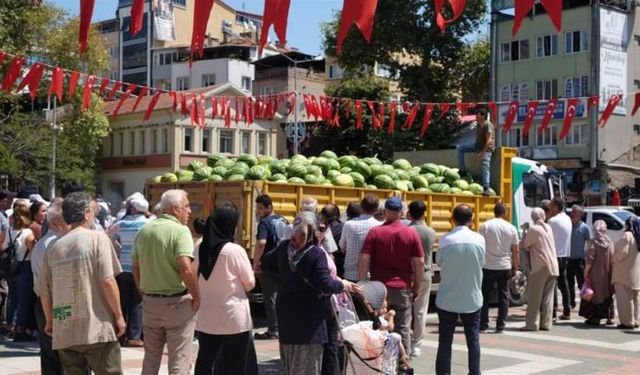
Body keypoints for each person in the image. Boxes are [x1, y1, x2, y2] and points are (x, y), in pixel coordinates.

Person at [36, 192, 125, 374]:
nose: (94, 215)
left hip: (66, 328)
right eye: (94, 211)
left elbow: (44, 291)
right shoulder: (98, 238)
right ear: (86, 213)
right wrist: (118, 316)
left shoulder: (54, 247)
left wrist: (50, 321)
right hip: (97, 326)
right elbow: (107, 280)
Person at [272, 212, 355, 375]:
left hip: (286, 317)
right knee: (308, 367)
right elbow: (325, 284)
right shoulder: (315, 253)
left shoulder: (284, 248)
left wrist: (286, 278)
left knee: (291, 365)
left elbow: (266, 263)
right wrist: (342, 285)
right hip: (309, 322)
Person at [132, 189, 200, 374]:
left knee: (151, 359)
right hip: (177, 304)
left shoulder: (144, 230)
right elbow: (186, 268)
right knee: (179, 360)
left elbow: (135, 267)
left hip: (151, 302)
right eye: (186, 207)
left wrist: (143, 292)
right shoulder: (180, 231)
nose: (189, 211)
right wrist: (197, 296)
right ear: (175, 209)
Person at [193, 207, 258, 375]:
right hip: (233, 318)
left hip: (207, 316)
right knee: (234, 365)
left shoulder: (199, 249)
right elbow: (250, 283)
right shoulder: (234, 251)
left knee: (205, 360)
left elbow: (193, 276)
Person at [359, 196, 424, 353]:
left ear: (386, 212)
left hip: (379, 289)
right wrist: (416, 286)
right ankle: (402, 364)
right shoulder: (411, 233)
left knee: (379, 326)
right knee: (402, 327)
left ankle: (382, 362)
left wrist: (363, 283)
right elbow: (420, 262)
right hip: (402, 287)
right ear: (401, 212)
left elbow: (364, 257)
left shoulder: (375, 232)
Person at [435, 204, 485, 375]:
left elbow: (439, 262)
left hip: (447, 298)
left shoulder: (445, 240)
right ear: (472, 220)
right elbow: (482, 262)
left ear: (453, 219)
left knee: (445, 342)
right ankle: (474, 372)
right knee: (473, 340)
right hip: (472, 298)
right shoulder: (479, 239)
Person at [30, 201, 69, 375]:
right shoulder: (55, 244)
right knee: (62, 353)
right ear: (55, 222)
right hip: (54, 301)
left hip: (45, 300)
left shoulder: (45, 243)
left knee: (49, 354)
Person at [112, 196, 150, 348]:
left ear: (132, 208)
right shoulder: (148, 225)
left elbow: (112, 241)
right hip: (140, 268)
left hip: (122, 268)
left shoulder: (120, 224)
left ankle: (120, 335)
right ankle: (134, 336)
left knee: (121, 302)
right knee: (137, 303)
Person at [479, 202, 520, 333]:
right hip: (505, 266)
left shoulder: (484, 226)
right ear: (505, 213)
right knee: (504, 296)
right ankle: (500, 325)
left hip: (488, 266)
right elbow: (516, 250)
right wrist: (515, 267)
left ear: (494, 212)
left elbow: (480, 246)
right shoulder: (511, 228)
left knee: (485, 295)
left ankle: (483, 324)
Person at [252, 194, 288, 340]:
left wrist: (256, 262)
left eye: (261, 208)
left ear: (269, 208)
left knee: (270, 297)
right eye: (257, 208)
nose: (258, 211)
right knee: (283, 296)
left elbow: (261, 243)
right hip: (284, 263)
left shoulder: (264, 223)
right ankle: (284, 326)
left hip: (270, 264)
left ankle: (274, 330)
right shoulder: (283, 219)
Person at [520, 208, 559, 331]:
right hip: (553, 266)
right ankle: (546, 323)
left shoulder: (534, 229)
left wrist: (524, 232)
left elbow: (526, 245)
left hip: (540, 266)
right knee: (547, 298)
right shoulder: (548, 228)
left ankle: (531, 324)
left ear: (533, 217)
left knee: (534, 297)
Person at [3, 201, 37, 341]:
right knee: (23, 301)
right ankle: (19, 329)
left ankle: (10, 326)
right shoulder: (28, 232)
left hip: (11, 268)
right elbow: (32, 251)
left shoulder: (10, 231)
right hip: (25, 266)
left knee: (12, 297)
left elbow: (4, 246)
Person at [407, 200, 436, 357]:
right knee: (420, 311)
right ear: (425, 213)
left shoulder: (405, 231)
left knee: (405, 310)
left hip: (407, 273)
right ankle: (417, 344)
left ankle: (406, 339)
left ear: (409, 213)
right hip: (424, 274)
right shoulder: (430, 232)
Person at [340, 194, 382, 282]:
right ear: (377, 209)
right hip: (371, 275)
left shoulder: (349, 225)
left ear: (361, 207)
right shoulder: (380, 226)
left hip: (350, 275)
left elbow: (342, 247)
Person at [581, 220, 614, 326]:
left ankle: (595, 318)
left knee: (596, 295)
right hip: (608, 274)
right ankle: (609, 317)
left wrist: (586, 272)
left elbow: (590, 259)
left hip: (595, 274)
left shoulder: (594, 242)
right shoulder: (610, 242)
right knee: (607, 294)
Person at [457, 108, 494, 195]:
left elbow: (489, 141)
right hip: (477, 147)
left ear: (483, 116)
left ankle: (486, 188)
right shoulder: (478, 124)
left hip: (487, 149)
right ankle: (462, 171)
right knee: (460, 148)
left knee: (485, 167)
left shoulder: (487, 125)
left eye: (478, 114)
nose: (476, 116)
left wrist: (482, 153)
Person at [611, 217, 640, 329]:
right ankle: (636, 320)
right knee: (635, 298)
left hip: (624, 273)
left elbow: (622, 252)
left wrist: (613, 259)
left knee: (624, 299)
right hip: (636, 274)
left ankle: (627, 322)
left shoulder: (627, 235)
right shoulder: (638, 236)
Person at [547, 197, 572, 320]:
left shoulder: (553, 221)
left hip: (554, 255)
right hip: (565, 255)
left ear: (556, 207)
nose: (549, 208)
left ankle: (553, 311)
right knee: (564, 283)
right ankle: (567, 310)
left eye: (551, 206)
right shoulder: (567, 219)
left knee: (552, 284)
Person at [568, 205, 590, 309]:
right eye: (572, 211)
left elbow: (589, 244)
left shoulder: (585, 228)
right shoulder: (567, 225)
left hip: (580, 260)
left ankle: (584, 304)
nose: (572, 214)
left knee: (582, 284)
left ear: (580, 215)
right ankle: (571, 302)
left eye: (574, 212)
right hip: (568, 259)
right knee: (569, 283)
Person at [321, 204, 345, 277]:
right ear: (338, 214)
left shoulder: (321, 228)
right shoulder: (344, 227)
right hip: (340, 265)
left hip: (324, 265)